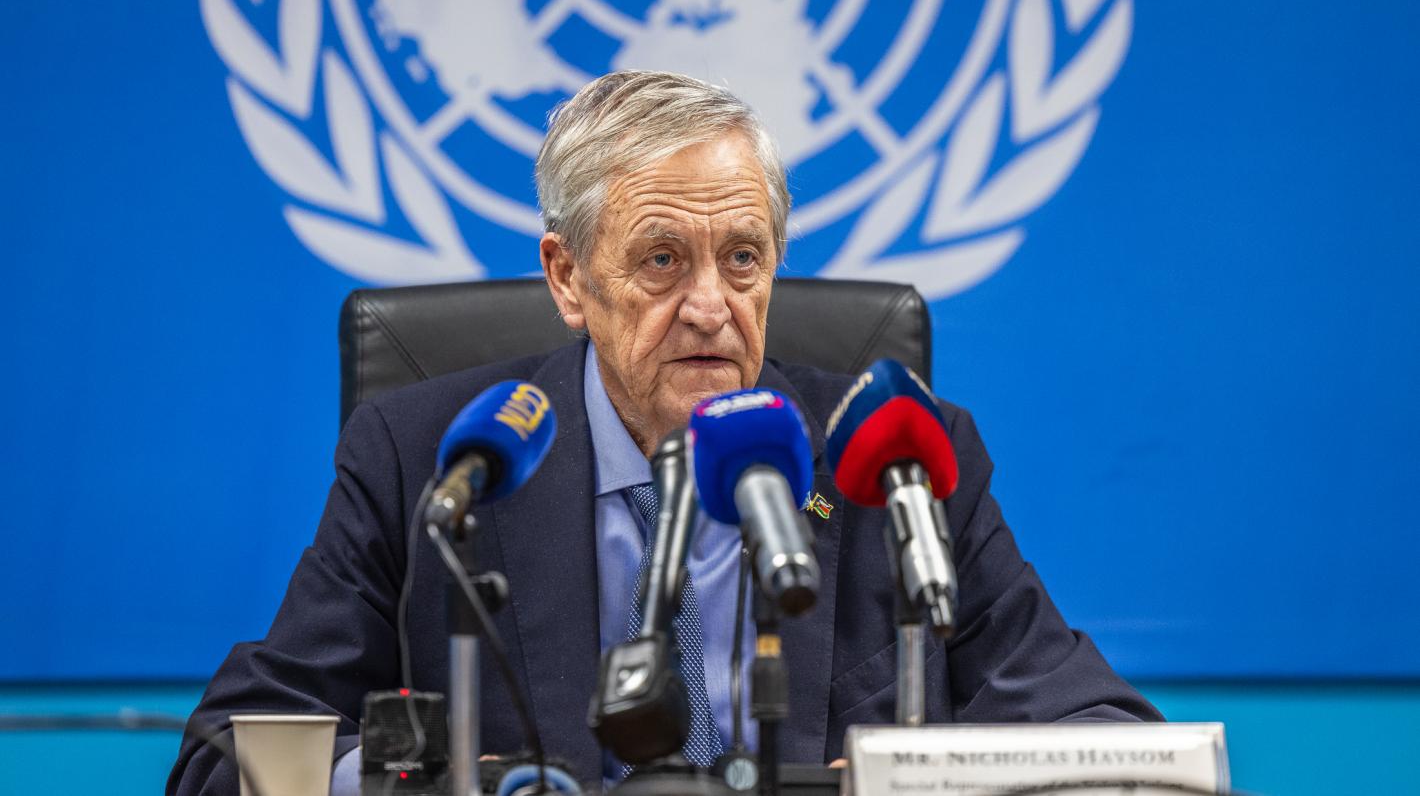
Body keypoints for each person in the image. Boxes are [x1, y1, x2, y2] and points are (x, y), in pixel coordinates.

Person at [169, 70, 1160, 795]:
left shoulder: (894, 463)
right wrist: (424, 784)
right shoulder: (432, 462)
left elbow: (1101, 734)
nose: (711, 306)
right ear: (568, 279)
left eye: (743, 258)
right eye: (661, 260)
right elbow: (225, 755)